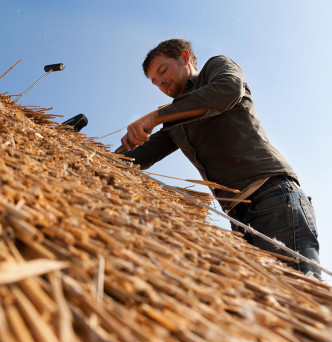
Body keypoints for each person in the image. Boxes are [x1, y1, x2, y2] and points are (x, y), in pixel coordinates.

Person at [121, 39, 321, 279]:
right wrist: (111, 152)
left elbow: (227, 90)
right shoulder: (174, 120)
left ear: (185, 58)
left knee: (301, 296)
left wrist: (154, 117)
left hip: (272, 196)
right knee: (266, 307)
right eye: (154, 81)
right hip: (237, 218)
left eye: (162, 70)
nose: (160, 82)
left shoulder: (216, 69)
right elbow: (139, 156)